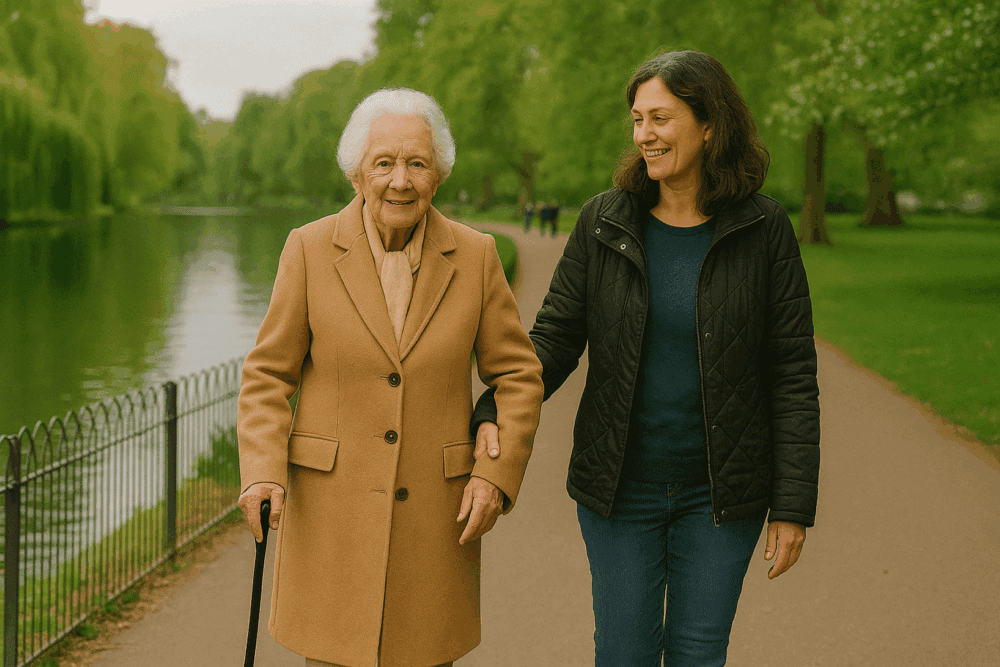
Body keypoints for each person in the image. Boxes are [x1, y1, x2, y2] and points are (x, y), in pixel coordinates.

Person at [472, 50, 820, 666]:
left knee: (698, 653)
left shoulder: (764, 228)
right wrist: (493, 408)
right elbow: (552, 340)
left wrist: (792, 505)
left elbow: (792, 374)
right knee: (624, 653)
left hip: (722, 494)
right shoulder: (604, 221)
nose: (644, 135)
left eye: (659, 117)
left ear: (709, 123)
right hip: (619, 489)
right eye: (637, 120)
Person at [237, 88, 544, 667]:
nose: (399, 180)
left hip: (436, 520)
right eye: (384, 163)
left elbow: (517, 375)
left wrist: (496, 475)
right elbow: (267, 376)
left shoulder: (476, 257)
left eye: (416, 164)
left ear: (438, 177)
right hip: (331, 520)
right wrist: (261, 472)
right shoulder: (307, 249)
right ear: (357, 173)